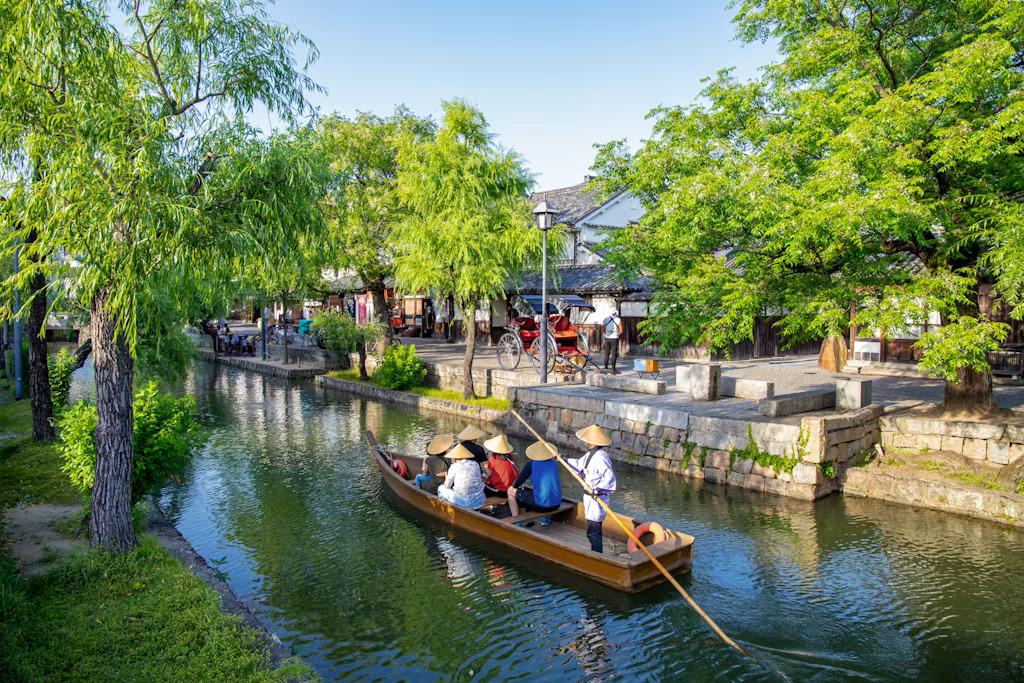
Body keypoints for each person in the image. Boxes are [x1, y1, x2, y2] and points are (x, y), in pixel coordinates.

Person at [567, 424, 617, 554]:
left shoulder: (600, 457)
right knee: (591, 530)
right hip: (590, 497)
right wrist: (564, 459)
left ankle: (597, 555)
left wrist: (598, 490)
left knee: (594, 531)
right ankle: (595, 552)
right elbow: (579, 465)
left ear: (591, 442)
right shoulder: (591, 455)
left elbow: (609, 476)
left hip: (597, 498)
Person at [507, 441, 562, 527]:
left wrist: (515, 485)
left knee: (510, 491)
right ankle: (545, 519)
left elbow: (516, 484)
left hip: (540, 505)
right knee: (542, 487)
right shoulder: (554, 464)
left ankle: (517, 522)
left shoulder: (531, 465)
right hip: (557, 504)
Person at [436, 444, 486, 509]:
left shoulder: (454, 466)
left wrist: (446, 477)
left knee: (441, 488)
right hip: (480, 501)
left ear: (454, 457)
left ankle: (447, 509)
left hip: (463, 502)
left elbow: (447, 485)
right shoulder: (475, 464)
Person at [602, 309, 622, 374]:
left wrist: (603, 339)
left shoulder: (606, 319)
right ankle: (613, 368)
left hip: (607, 338)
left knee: (606, 353)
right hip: (614, 338)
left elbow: (603, 331)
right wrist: (618, 333)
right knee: (614, 354)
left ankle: (605, 367)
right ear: (616, 313)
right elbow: (621, 331)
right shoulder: (618, 320)